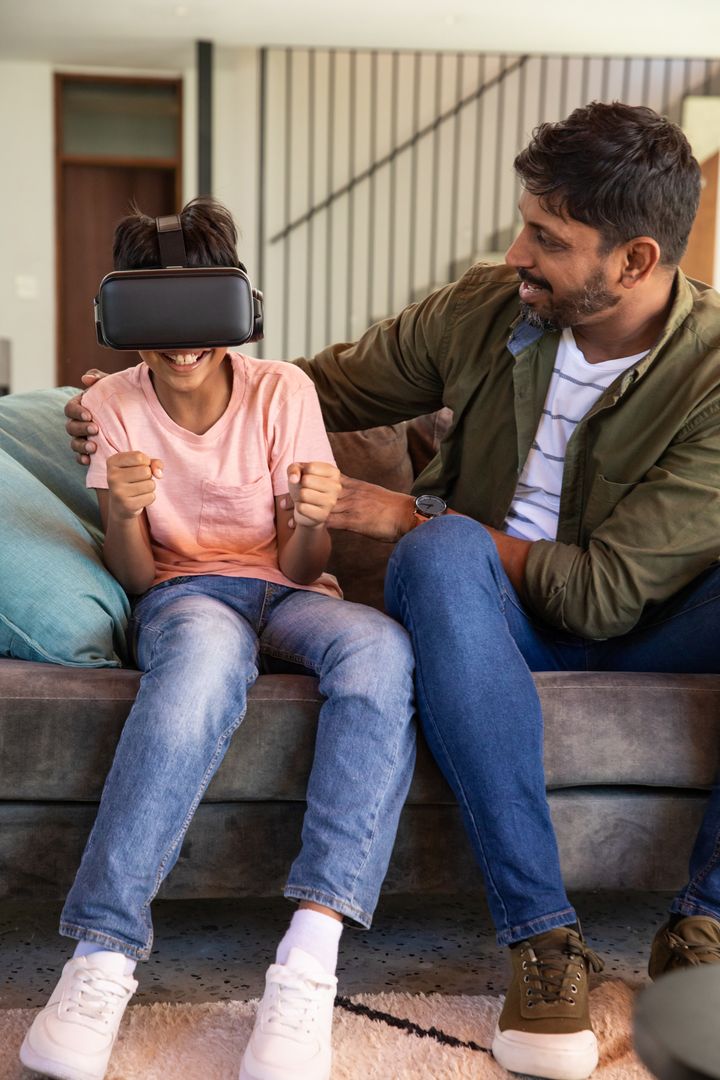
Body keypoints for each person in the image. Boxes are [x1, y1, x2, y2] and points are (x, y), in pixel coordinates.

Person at [64, 101, 720, 1080]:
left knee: (430, 540)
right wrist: (153, 384)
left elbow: (605, 595)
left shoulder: (711, 374)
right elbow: (303, 389)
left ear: (632, 261)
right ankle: (542, 939)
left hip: (646, 617)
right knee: (439, 558)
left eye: (547, 236)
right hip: (485, 618)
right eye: (523, 221)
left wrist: (406, 515)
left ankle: (702, 926)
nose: (515, 251)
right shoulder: (484, 309)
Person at [23, 196, 417, 1080]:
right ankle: (101, 957)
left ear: (236, 302)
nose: (184, 335)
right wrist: (122, 509)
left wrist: (310, 518)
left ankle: (308, 965)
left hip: (288, 587)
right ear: (126, 312)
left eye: (202, 302)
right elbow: (133, 578)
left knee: (382, 649)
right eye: (157, 305)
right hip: (183, 593)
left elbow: (299, 557)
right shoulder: (114, 406)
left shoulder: (284, 390)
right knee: (201, 663)